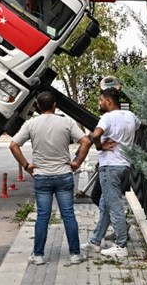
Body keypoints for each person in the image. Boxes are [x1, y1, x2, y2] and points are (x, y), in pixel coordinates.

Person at [8, 91, 91, 266]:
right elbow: (86, 141)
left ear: (37, 106)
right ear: (55, 105)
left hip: (42, 176)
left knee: (42, 216)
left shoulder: (31, 124)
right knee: (68, 214)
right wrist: (76, 162)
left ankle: (38, 255)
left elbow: (14, 145)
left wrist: (26, 165)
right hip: (63, 175)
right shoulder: (66, 122)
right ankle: (75, 254)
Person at [82, 87, 139, 259]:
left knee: (114, 206)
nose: (99, 103)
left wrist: (100, 145)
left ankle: (121, 245)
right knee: (106, 205)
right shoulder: (130, 116)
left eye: (100, 100)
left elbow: (95, 134)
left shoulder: (107, 117)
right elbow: (142, 126)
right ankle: (95, 242)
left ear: (108, 101)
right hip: (124, 166)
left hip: (110, 167)